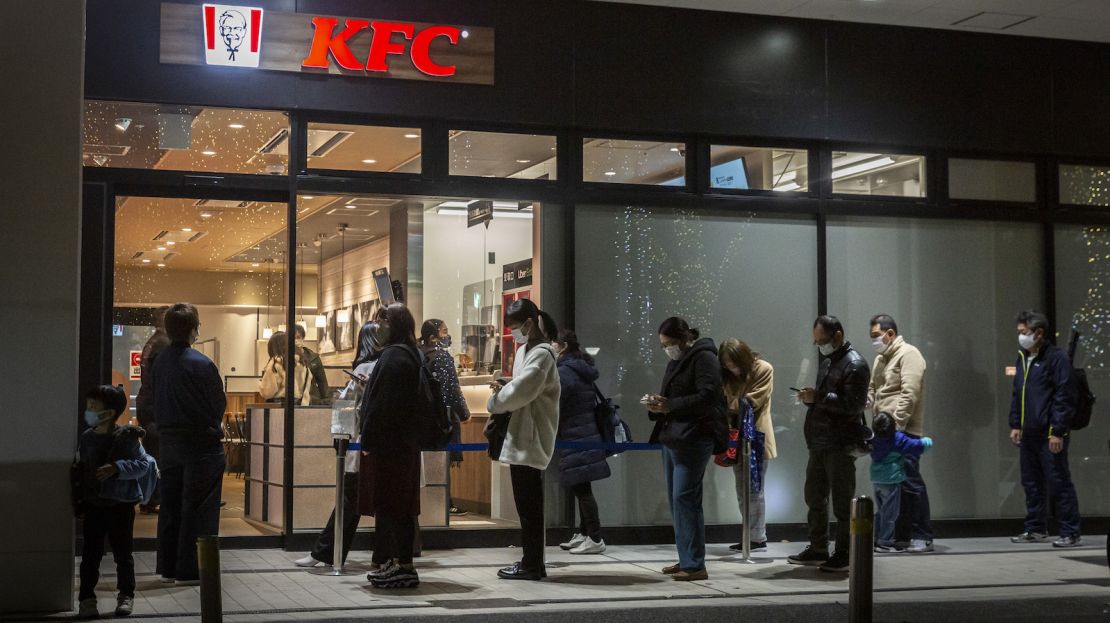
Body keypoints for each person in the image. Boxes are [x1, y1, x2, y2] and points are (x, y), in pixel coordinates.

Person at [295, 321, 386, 569]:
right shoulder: (386, 364)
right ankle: (389, 557)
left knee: (349, 501)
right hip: (383, 446)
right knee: (378, 504)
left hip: (363, 445)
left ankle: (325, 553)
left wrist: (339, 433)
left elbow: (346, 404)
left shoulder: (367, 367)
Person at [152, 303, 227, 586]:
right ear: (194, 329)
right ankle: (190, 568)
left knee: (171, 505)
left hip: (169, 442)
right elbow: (216, 404)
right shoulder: (202, 363)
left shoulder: (160, 361)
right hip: (201, 445)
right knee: (199, 508)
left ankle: (168, 566)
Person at [788, 315, 870, 573]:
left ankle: (845, 552)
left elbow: (853, 405)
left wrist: (819, 396)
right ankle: (818, 547)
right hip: (820, 441)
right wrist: (812, 399)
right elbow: (831, 400)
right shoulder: (829, 361)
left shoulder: (855, 364)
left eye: (822, 340)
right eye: (816, 341)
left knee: (843, 502)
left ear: (837, 335)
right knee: (814, 496)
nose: (820, 345)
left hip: (840, 442)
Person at [646, 317, 725, 582]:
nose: (667, 349)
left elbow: (709, 396)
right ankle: (686, 557)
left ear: (683, 339)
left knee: (685, 498)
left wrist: (671, 406)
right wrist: (660, 405)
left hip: (693, 437)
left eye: (669, 343)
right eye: (663, 345)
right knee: (677, 500)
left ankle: (694, 564)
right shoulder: (678, 360)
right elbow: (676, 397)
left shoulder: (704, 358)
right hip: (674, 436)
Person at [487, 299, 561, 581]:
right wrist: (507, 387)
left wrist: (496, 401)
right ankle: (532, 562)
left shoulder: (542, 354)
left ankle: (532, 564)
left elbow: (522, 390)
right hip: (523, 437)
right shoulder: (526, 350)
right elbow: (520, 387)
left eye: (516, 328)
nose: (514, 333)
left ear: (529, 324)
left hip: (531, 439)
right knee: (527, 506)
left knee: (529, 507)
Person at [73, 385, 157, 619]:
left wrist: (117, 468)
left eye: (93, 407)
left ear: (109, 413)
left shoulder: (128, 438)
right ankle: (87, 599)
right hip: (94, 504)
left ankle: (126, 595)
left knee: (123, 554)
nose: (88, 411)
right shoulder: (86, 438)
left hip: (121, 504)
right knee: (91, 554)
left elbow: (143, 465)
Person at [358, 304, 424, 588]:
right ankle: (397, 563)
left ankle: (403, 566)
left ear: (394, 324)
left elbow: (382, 406)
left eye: (382, 320)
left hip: (391, 446)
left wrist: (368, 439)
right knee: (398, 505)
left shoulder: (395, 357)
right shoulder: (408, 354)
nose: (378, 326)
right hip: (404, 443)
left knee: (393, 504)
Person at [1008, 310, 1082, 548]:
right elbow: (1017, 393)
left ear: (1038, 333)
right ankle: (1036, 528)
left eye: (1023, 332)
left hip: (1049, 433)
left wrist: (1057, 431)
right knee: (1031, 482)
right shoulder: (1023, 357)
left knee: (1059, 481)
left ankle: (1070, 531)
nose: (1020, 337)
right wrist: (1015, 424)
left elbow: (1064, 396)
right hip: (1029, 432)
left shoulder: (1056, 358)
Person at [866, 314, 932, 553]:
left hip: (903, 432)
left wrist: (898, 429)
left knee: (911, 482)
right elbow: (874, 387)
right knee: (893, 486)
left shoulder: (909, 355)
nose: (874, 340)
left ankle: (922, 535)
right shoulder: (880, 358)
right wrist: (868, 400)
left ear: (890, 333)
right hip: (884, 433)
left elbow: (909, 393)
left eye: (876, 335)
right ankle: (898, 536)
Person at [553, 329, 611, 555]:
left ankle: (595, 537)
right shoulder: (580, 367)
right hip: (585, 430)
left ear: (564, 346)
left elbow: (557, 399)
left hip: (576, 432)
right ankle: (585, 533)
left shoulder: (566, 371)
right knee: (581, 484)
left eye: (555, 344)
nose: (553, 348)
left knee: (582, 487)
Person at [718, 338, 776, 552]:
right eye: (725, 364)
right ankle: (750, 534)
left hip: (756, 436)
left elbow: (750, 402)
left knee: (754, 488)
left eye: (732, 362)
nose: (730, 368)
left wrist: (728, 404)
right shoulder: (728, 377)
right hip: (735, 437)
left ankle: (757, 536)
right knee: (741, 489)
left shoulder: (763, 369)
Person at [419, 319, 471, 514]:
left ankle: (434, 504)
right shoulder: (442, 357)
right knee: (442, 462)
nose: (447, 336)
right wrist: (464, 413)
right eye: (444, 331)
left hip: (422, 418)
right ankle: (443, 505)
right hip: (441, 417)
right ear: (433, 337)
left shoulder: (417, 353)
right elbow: (451, 390)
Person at [870, 412, 932, 553]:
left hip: (877, 480)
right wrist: (928, 441)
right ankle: (885, 542)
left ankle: (877, 539)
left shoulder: (874, 439)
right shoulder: (897, 439)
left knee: (881, 511)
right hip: (891, 481)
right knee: (891, 515)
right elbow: (917, 446)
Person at [135, 306, 169, 514]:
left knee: (151, 452)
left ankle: (149, 498)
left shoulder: (153, 342)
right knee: (157, 454)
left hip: (147, 404)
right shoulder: (163, 344)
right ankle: (153, 498)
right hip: (155, 406)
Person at [258, 331, 315, 405]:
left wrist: (260, 384)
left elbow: (267, 392)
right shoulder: (303, 364)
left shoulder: (276, 364)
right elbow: (307, 387)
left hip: (280, 410)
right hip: (301, 408)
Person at [294, 324, 331, 404]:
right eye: (293, 338)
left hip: (312, 400)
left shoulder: (313, 358)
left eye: (298, 337)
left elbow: (322, 382)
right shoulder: (286, 358)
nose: (296, 341)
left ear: (303, 338)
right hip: (294, 400)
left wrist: (327, 401)